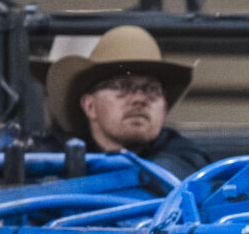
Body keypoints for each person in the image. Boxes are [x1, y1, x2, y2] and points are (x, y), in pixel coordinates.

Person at [43, 26, 208, 180]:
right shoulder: (50, 156)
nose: (140, 99)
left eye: (152, 90)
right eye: (123, 87)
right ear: (89, 105)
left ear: (164, 107)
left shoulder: (185, 156)